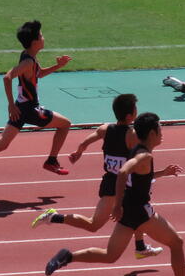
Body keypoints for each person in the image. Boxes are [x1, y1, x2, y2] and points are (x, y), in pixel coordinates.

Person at [44, 112, 185, 276]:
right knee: (177, 243)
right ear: (152, 133)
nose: (162, 133)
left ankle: (68, 256)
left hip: (128, 213)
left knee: (110, 255)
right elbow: (122, 172)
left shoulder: (137, 150)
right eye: (160, 129)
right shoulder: (144, 155)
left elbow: (137, 177)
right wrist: (117, 205)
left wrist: (162, 173)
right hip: (141, 213)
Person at [30, 93, 163, 259]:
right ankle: (54, 217)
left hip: (110, 181)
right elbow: (144, 150)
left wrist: (79, 151)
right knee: (107, 220)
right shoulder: (133, 135)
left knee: (127, 214)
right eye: (135, 108)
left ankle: (140, 246)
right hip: (121, 184)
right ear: (130, 115)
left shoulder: (105, 128)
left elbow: (86, 141)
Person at [0, 20, 72, 187]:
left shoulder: (28, 56)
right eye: (41, 35)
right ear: (34, 42)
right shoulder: (28, 62)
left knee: (2, 144)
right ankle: (51, 161)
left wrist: (58, 66)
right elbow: (7, 77)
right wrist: (10, 105)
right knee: (65, 124)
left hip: (21, 107)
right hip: (29, 109)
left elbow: (38, 74)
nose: (43, 38)